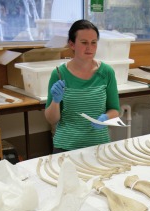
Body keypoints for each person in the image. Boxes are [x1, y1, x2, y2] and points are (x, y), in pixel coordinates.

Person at [44, 19, 120, 153]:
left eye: (94, 43)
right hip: (65, 147)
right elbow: (51, 119)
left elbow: (115, 110)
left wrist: (105, 118)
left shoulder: (106, 72)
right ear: (72, 44)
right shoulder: (59, 74)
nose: (89, 48)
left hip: (99, 146)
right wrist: (55, 102)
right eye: (84, 42)